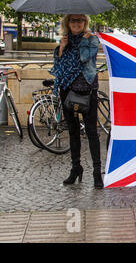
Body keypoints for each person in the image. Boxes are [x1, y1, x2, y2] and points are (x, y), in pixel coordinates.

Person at [50, 14, 103, 189]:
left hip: (86, 88)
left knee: (91, 131)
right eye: (73, 21)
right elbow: (57, 65)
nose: (77, 24)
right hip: (67, 88)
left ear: (85, 23)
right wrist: (62, 47)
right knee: (72, 131)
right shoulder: (65, 41)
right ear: (68, 23)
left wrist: (83, 41)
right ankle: (76, 168)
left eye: (80, 21)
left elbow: (85, 58)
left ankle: (96, 172)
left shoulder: (92, 39)